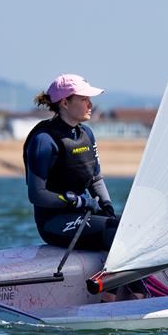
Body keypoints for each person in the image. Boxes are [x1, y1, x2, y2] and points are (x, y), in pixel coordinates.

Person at [23, 74, 119, 250]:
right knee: (114, 231)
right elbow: (36, 194)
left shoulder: (87, 134)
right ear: (65, 103)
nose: (90, 105)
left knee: (133, 227)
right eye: (84, 99)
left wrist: (107, 207)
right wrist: (77, 201)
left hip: (83, 214)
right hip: (53, 223)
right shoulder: (43, 140)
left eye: (89, 99)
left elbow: (96, 179)